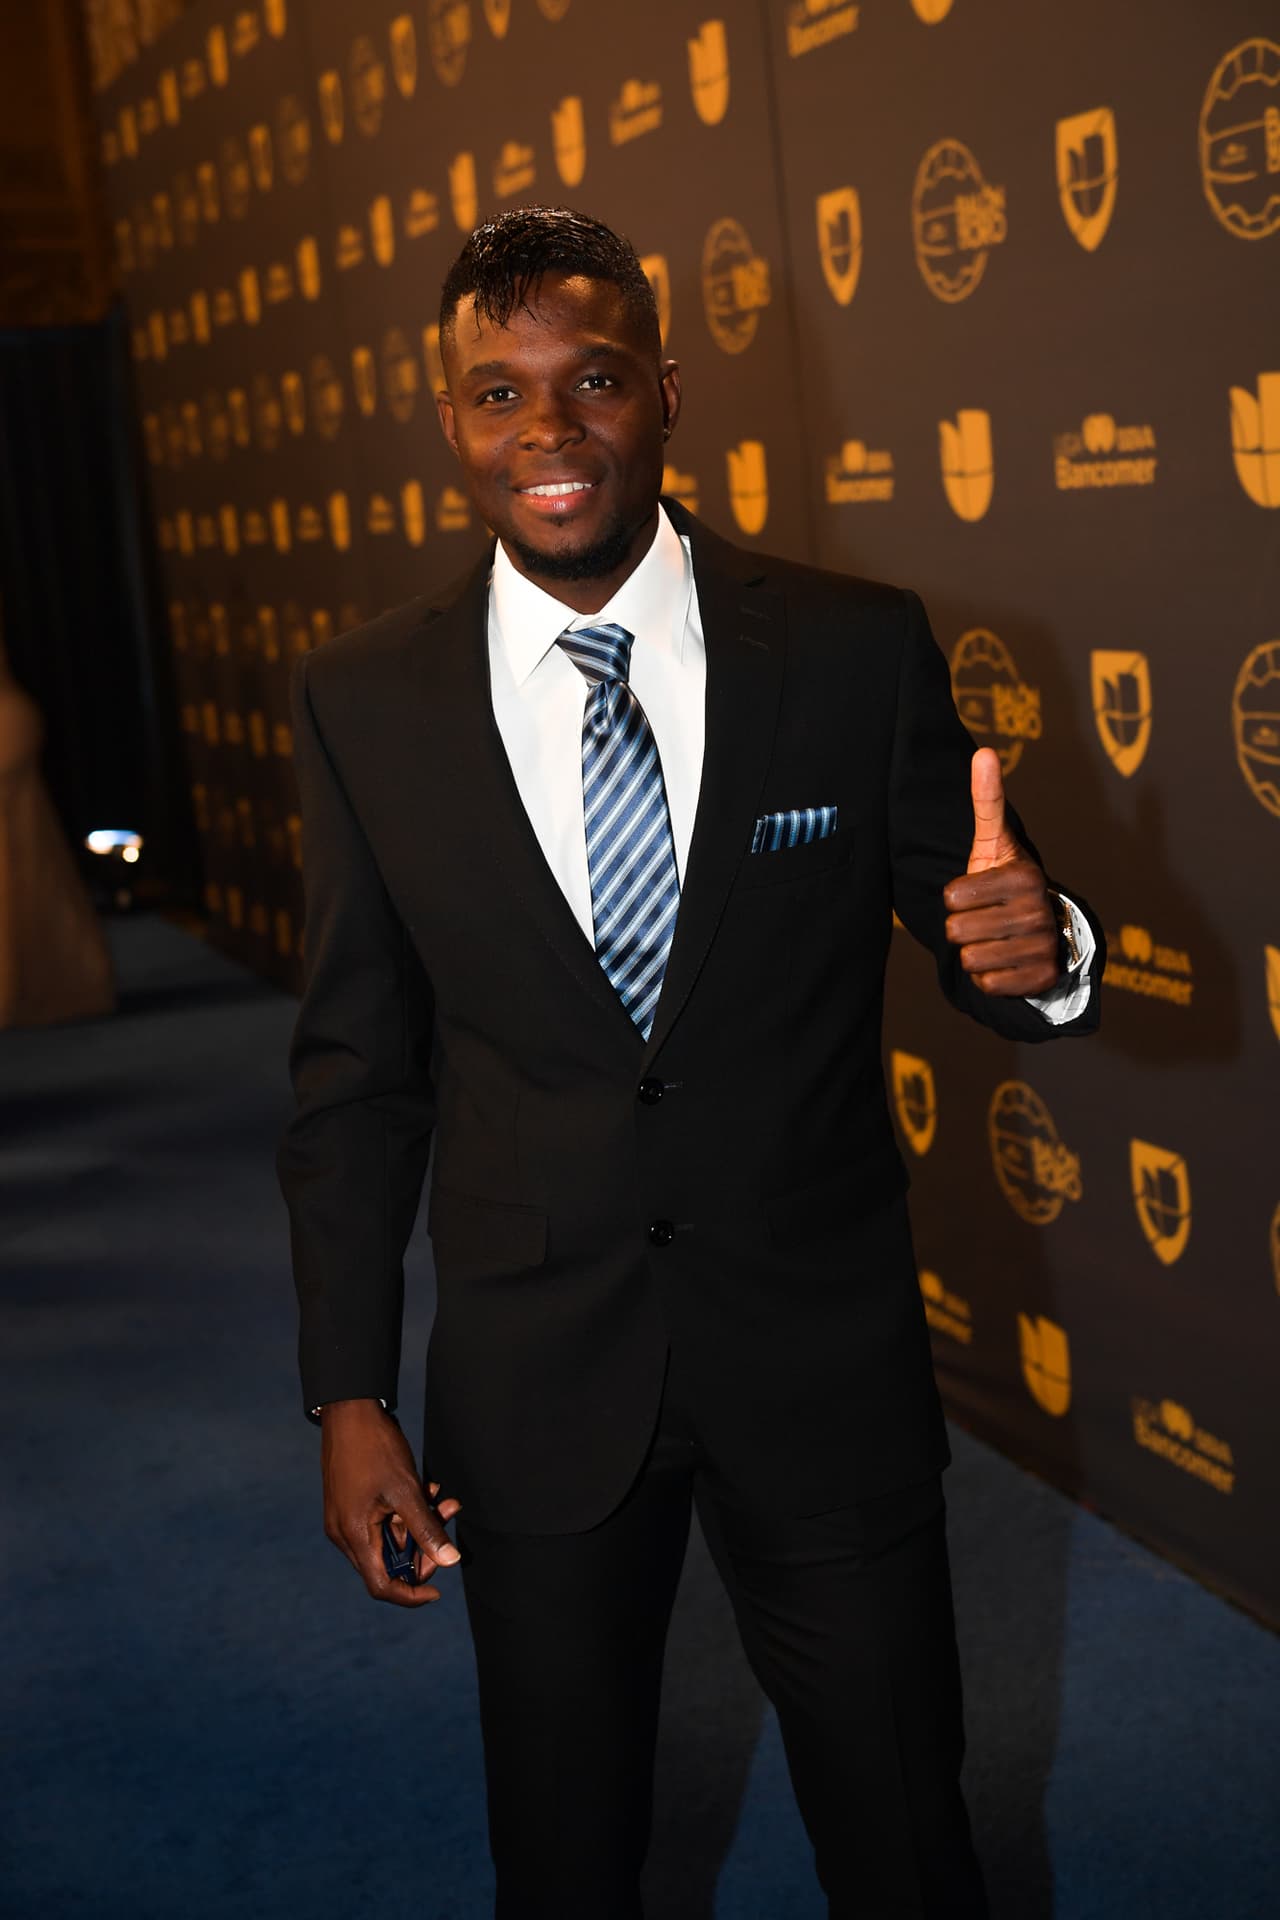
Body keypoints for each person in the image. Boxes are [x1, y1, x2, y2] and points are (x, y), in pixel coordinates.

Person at [278, 205, 1101, 1918]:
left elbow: (983, 938)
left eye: (588, 380)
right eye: (496, 395)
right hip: (537, 1379)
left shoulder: (853, 647)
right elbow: (361, 1072)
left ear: (665, 390)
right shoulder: (364, 699)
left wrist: (1044, 950)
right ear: (450, 425)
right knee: (564, 1857)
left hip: (819, 1363)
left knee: (905, 1839)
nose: (547, 431)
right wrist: (347, 1393)